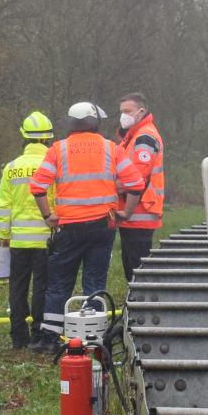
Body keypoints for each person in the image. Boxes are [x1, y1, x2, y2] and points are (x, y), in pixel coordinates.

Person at [29, 102, 146, 352]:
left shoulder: (57, 150)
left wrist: (48, 215)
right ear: (95, 122)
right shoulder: (111, 149)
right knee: (94, 281)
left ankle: (50, 338)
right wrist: (125, 212)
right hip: (102, 226)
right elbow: (136, 183)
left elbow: (38, 187)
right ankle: (93, 337)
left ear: (71, 123)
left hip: (69, 228)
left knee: (59, 283)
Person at [0, 110, 55, 349]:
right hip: (46, 240)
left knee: (18, 286)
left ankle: (18, 337)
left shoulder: (11, 167)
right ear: (47, 139)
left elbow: (4, 206)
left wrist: (3, 236)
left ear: (24, 137)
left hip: (18, 242)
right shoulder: (52, 165)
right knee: (42, 287)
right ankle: (39, 334)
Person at [114, 92, 166, 279]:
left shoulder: (144, 137)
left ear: (141, 111)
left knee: (138, 269)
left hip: (140, 210)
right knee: (132, 266)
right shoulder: (133, 137)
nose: (123, 115)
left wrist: (109, 187)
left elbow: (137, 176)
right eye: (121, 111)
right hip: (134, 211)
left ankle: (142, 305)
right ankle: (136, 304)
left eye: (127, 111)